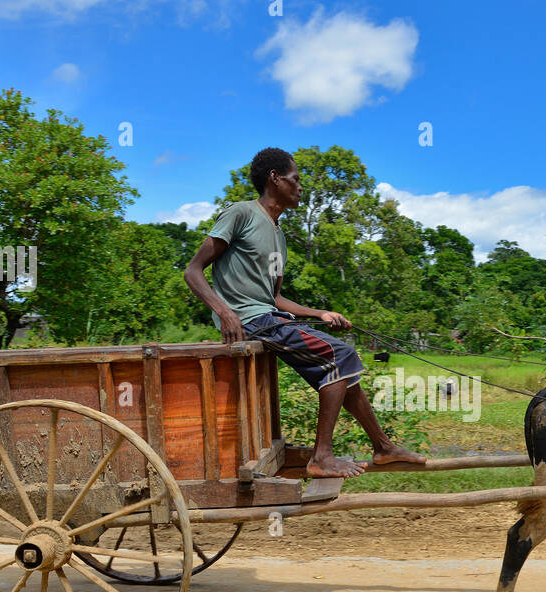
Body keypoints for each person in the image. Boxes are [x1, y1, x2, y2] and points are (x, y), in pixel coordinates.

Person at [183, 147, 427, 479]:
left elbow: (276, 297)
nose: (300, 187)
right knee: (341, 355)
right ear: (274, 178)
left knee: (343, 372)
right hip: (250, 321)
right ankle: (321, 457)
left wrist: (321, 312)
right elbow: (193, 271)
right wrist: (225, 313)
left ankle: (383, 447)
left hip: (269, 317)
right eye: (295, 179)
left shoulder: (279, 237)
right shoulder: (240, 213)